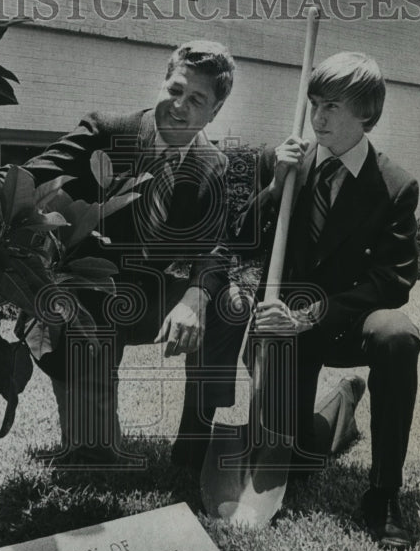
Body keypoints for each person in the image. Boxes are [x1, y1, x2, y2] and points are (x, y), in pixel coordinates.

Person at [18, 41, 249, 486]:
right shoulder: (109, 132)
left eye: (196, 99)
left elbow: (216, 248)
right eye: (175, 89)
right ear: (164, 81)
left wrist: (197, 298)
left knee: (231, 304)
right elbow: (34, 175)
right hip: (86, 292)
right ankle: (93, 445)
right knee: (95, 468)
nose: (179, 106)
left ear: (215, 112)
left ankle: (193, 444)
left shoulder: (213, 165)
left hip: (145, 297)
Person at [236, 51, 420, 549]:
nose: (317, 117)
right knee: (300, 459)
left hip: (347, 323)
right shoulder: (289, 166)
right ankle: (343, 399)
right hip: (285, 334)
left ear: (367, 113)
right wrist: (275, 185)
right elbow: (243, 242)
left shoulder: (396, 184)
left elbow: (393, 279)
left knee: (397, 334)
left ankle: (382, 493)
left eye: (332, 107)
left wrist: (311, 315)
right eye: (314, 103)